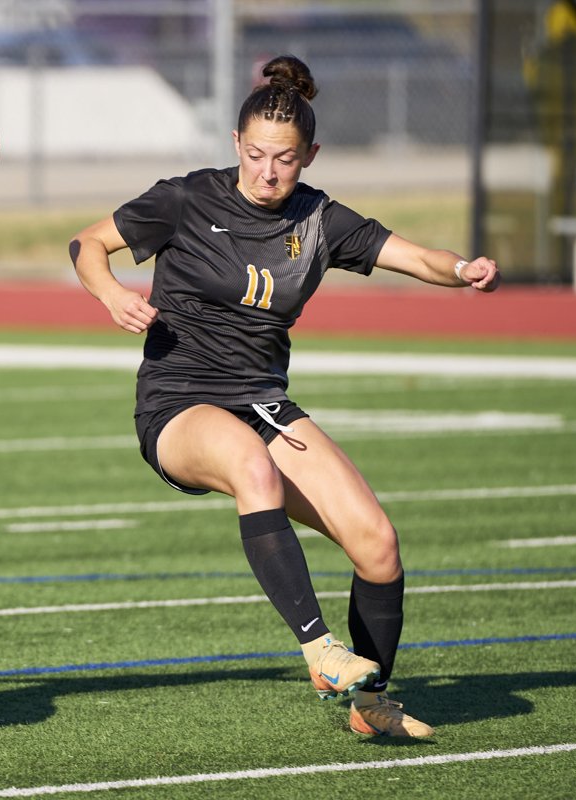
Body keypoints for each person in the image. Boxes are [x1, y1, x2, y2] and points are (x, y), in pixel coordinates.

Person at [68, 54, 499, 739]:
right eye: (258, 155)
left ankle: (371, 701)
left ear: (310, 156)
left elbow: (413, 256)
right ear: (238, 145)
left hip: (264, 402)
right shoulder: (187, 198)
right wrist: (113, 292)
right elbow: (89, 244)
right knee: (251, 466)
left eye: (287, 159)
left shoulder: (320, 219)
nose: (269, 172)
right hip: (179, 402)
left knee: (377, 544)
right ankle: (320, 650)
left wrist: (462, 269)